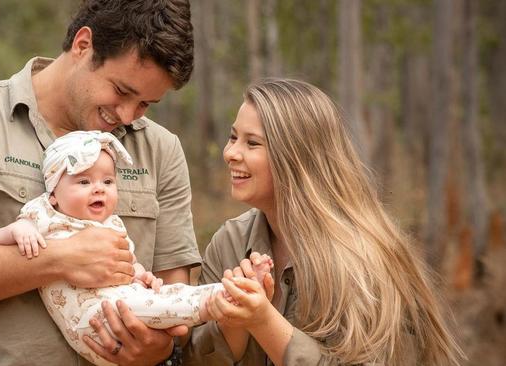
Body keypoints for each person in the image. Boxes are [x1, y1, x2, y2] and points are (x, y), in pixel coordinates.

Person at [0, 1, 203, 365]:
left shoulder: (161, 149)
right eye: (121, 90)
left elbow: (175, 292)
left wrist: (160, 347)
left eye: (145, 104)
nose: (125, 115)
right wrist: (59, 259)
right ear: (83, 45)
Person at [183, 78, 465, 365]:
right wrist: (233, 323)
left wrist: (262, 321)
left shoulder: (361, 258)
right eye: (233, 137)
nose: (230, 153)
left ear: (295, 156)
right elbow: (193, 358)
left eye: (252, 143)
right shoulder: (229, 243)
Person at [0, 131, 272, 366]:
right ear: (53, 194)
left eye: (108, 181)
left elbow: (126, 266)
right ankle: (221, 299)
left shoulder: (112, 224)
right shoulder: (44, 214)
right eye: (84, 181)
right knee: (154, 305)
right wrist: (20, 229)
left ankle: (232, 293)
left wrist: (141, 275)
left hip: (121, 314)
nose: (98, 188)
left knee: (163, 293)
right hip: (91, 323)